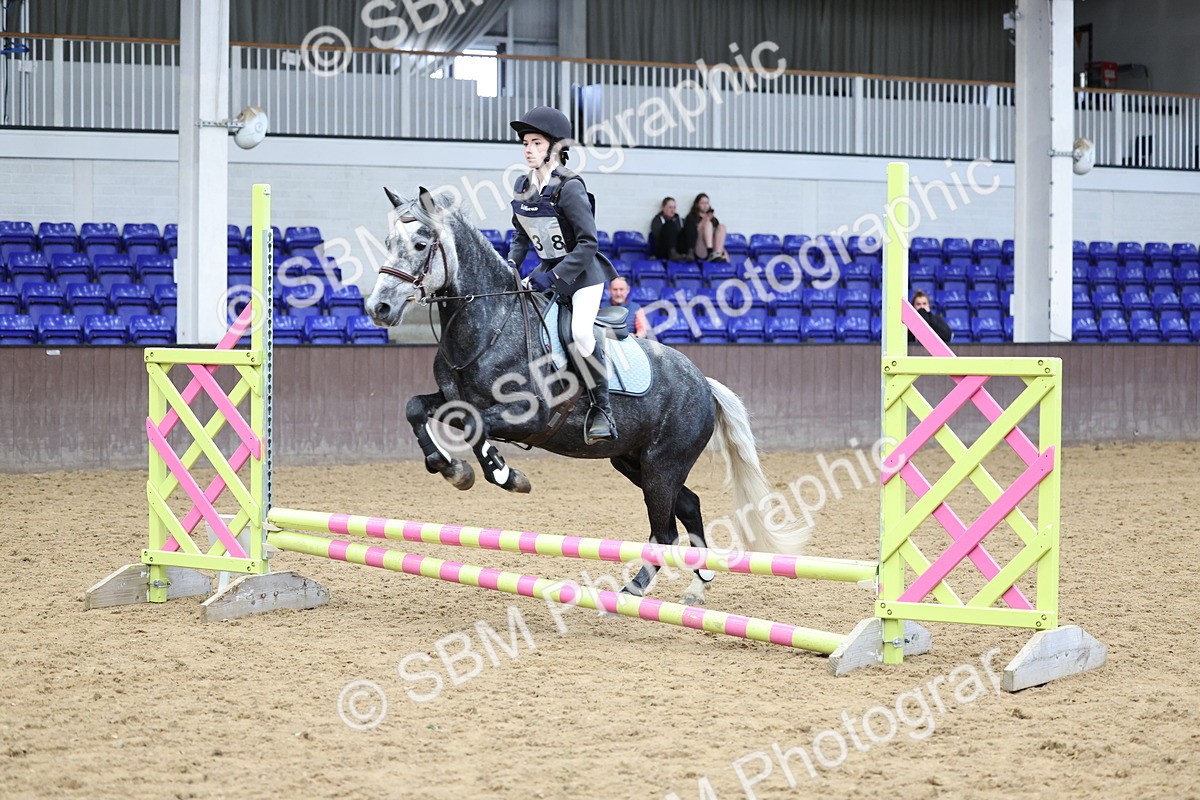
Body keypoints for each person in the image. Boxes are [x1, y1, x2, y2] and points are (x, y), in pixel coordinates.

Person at [506, 106, 620, 444]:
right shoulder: (523, 184)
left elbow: (588, 243)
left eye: (536, 142)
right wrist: (512, 264)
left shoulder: (570, 186)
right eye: (525, 142)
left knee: (580, 334)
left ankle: (603, 409)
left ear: (554, 147)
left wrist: (552, 278)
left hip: (583, 275)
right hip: (546, 270)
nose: (528, 148)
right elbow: (521, 234)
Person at [681, 193, 729, 262]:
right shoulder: (691, 217)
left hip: (714, 247)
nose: (705, 206)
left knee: (722, 226)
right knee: (708, 224)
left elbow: (718, 238)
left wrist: (724, 252)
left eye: (707, 203)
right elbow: (691, 234)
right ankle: (710, 252)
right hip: (700, 247)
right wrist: (705, 220)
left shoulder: (714, 220)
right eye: (702, 203)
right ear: (697, 204)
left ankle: (717, 254)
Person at [649, 197, 690, 261]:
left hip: (679, 248)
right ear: (663, 208)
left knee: (690, 225)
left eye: (674, 208)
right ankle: (672, 252)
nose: (672, 210)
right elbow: (657, 237)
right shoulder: (657, 220)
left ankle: (691, 252)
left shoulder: (681, 221)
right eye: (670, 207)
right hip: (664, 249)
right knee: (669, 224)